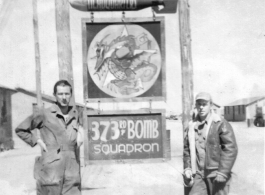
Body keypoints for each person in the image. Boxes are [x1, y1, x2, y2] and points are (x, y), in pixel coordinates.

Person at [16, 80, 84, 195]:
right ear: (55, 95)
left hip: (72, 171)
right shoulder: (44, 114)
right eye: (60, 94)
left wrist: (81, 134)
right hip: (51, 170)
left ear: (71, 95)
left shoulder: (75, 114)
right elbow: (21, 129)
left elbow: (78, 134)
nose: (64, 97)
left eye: (67, 94)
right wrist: (36, 140)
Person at [183, 92, 238, 195]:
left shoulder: (220, 123)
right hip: (198, 175)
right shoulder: (191, 126)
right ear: (196, 105)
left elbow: (230, 148)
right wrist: (187, 168)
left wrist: (223, 171)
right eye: (199, 104)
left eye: (204, 104)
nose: (201, 107)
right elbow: (187, 150)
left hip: (216, 174)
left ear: (211, 105)